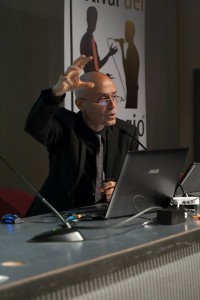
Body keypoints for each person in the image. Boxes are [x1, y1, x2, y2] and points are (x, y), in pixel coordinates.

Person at [25, 55, 138, 216]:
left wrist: (119, 190)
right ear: (80, 104)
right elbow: (34, 126)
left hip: (104, 217)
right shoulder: (64, 125)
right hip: (58, 217)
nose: (112, 105)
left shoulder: (126, 133)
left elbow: (134, 181)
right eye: (103, 99)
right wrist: (56, 92)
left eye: (114, 96)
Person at [80, 6, 118, 72]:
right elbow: (94, 67)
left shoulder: (91, 39)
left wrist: (109, 54)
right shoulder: (86, 39)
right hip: (90, 79)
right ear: (87, 20)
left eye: (95, 19)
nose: (93, 22)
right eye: (91, 19)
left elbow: (97, 65)